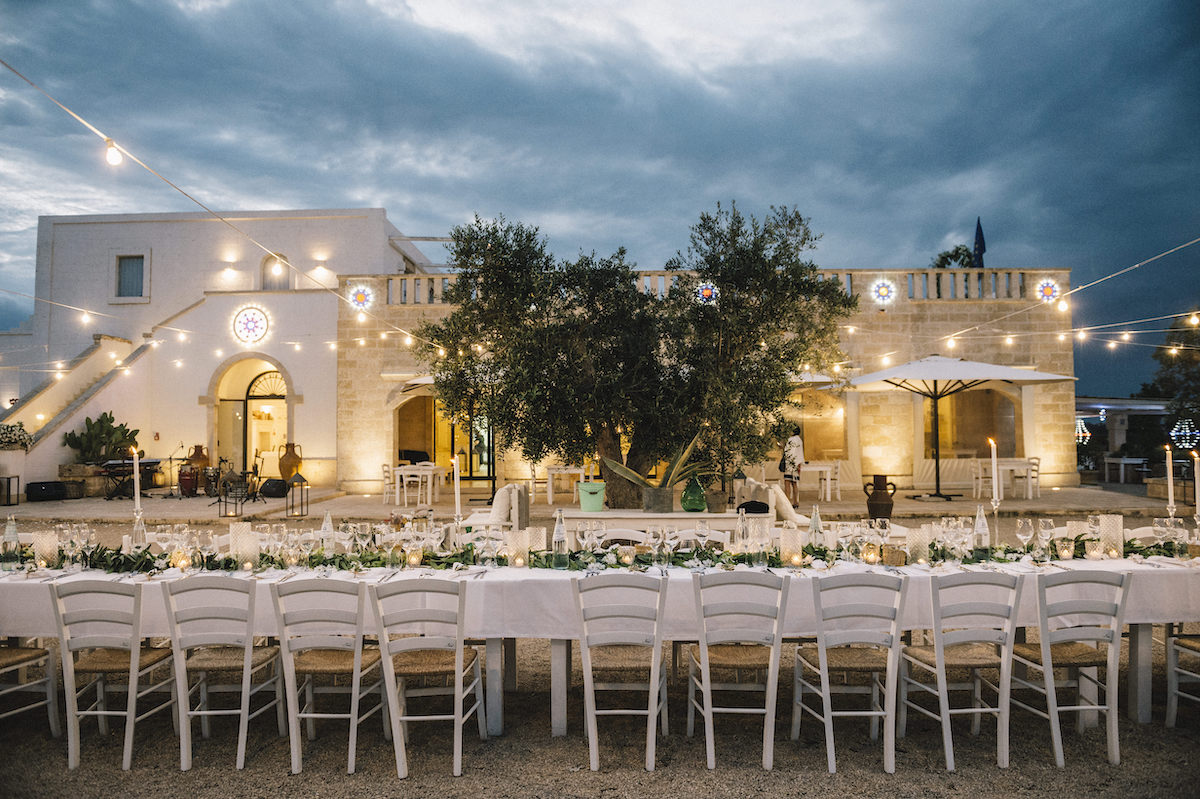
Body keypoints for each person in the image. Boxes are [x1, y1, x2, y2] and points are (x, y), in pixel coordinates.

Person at [783, 427, 805, 506]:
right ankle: (796, 502)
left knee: (787, 483)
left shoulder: (791, 440)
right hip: (797, 463)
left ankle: (787, 502)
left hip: (790, 464)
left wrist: (782, 447)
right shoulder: (799, 440)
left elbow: (789, 452)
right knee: (795, 483)